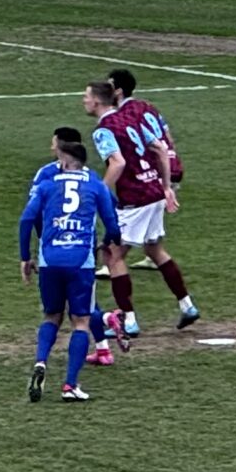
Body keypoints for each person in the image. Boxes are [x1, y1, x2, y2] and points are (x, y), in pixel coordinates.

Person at [85, 69, 199, 342]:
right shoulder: (130, 116)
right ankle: (187, 305)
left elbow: (118, 163)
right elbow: (161, 147)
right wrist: (167, 186)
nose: (83, 101)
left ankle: (128, 320)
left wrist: (98, 192)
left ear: (99, 102)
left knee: (112, 256)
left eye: (86, 97)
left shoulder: (103, 130)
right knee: (154, 249)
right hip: (154, 191)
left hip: (135, 197)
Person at [18, 136, 122, 403]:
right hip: (80, 261)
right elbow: (112, 222)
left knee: (51, 316)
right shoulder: (96, 185)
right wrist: (107, 242)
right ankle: (70, 385)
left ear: (63, 162)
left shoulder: (45, 185)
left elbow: (26, 219)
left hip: (50, 260)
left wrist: (24, 257)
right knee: (81, 322)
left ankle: (41, 361)